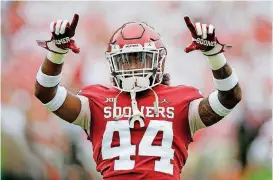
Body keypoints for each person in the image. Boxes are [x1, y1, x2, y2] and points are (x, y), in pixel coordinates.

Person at [35, 14, 242, 180]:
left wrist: (215, 55)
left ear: (158, 61)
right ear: (114, 63)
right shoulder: (96, 101)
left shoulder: (182, 101)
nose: (134, 68)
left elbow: (229, 98)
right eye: (126, 61)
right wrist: (56, 53)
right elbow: (46, 92)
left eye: (140, 59)